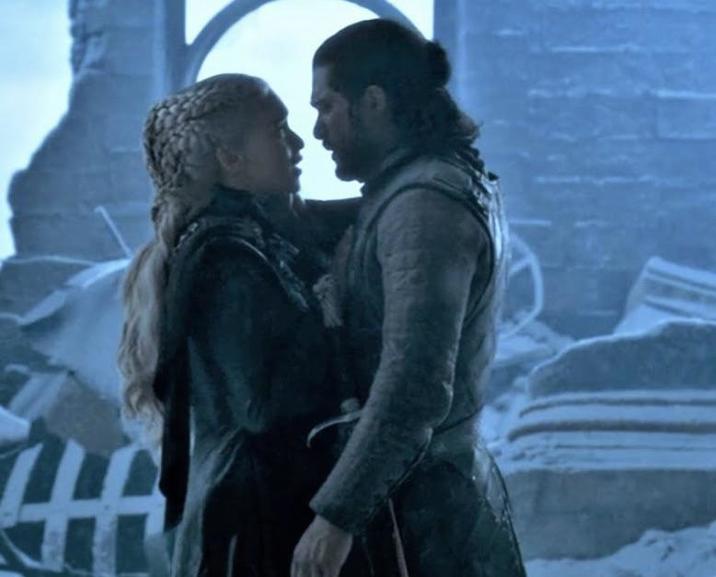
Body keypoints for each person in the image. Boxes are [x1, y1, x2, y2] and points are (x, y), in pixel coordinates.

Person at [291, 19, 527, 577]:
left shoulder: (424, 204)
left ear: (373, 102)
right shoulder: (425, 187)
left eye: (326, 107)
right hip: (425, 504)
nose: (317, 131)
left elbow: (414, 388)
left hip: (428, 522)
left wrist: (336, 516)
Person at [117, 73, 356, 577]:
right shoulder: (227, 260)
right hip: (254, 523)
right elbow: (261, 409)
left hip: (260, 506)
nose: (297, 142)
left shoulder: (249, 238)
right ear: (231, 159)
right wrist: (331, 316)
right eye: (278, 130)